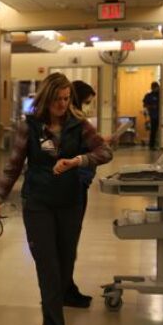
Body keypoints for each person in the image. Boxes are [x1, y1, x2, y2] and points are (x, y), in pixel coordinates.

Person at [0, 73, 112, 325]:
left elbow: (105, 151)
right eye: (57, 99)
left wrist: (78, 161)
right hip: (38, 204)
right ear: (47, 98)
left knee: (65, 266)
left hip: (70, 203)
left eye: (67, 99)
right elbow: (13, 165)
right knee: (48, 269)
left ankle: (51, 317)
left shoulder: (79, 125)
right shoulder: (29, 126)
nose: (62, 104)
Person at [65, 80, 100, 307]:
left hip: (77, 183)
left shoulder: (78, 122)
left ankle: (66, 287)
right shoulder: (73, 121)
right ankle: (64, 289)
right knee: (68, 241)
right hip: (74, 185)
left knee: (69, 240)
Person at [143, 81, 160, 150]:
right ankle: (151, 145)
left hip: (159, 115)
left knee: (157, 131)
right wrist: (152, 107)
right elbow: (145, 105)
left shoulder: (160, 95)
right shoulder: (149, 96)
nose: (157, 89)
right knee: (153, 130)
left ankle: (156, 144)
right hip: (153, 116)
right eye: (156, 87)